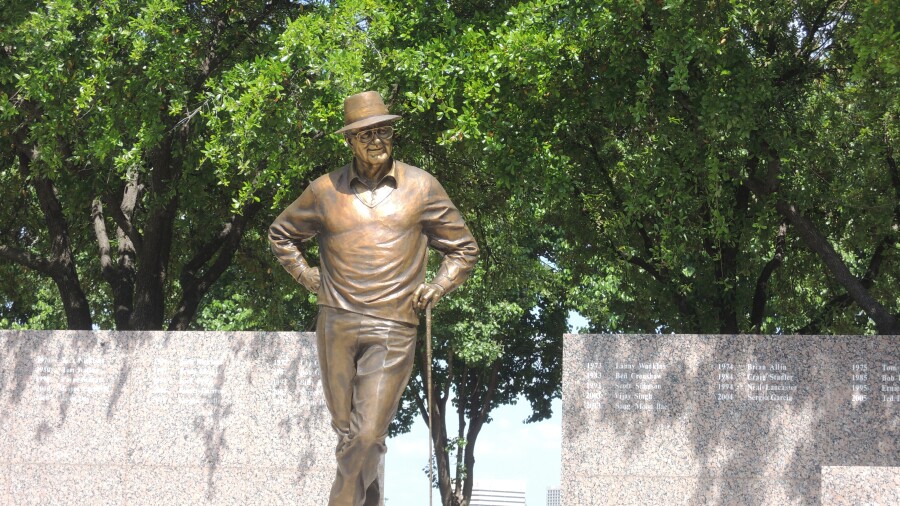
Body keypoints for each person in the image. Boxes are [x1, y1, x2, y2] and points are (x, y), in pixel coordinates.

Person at [268, 91, 479, 506]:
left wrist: (438, 286)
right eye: (366, 133)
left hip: (394, 324)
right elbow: (281, 234)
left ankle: (340, 500)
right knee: (351, 434)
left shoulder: (421, 187)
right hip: (337, 322)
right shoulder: (324, 190)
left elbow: (463, 248)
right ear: (350, 140)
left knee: (367, 433)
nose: (377, 139)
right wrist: (306, 275)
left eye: (384, 131)